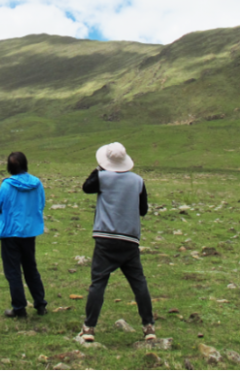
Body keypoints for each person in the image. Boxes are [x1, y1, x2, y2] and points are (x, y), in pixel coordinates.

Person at [79, 142, 155, 343]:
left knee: (98, 283)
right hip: (129, 239)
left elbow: (86, 187)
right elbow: (143, 210)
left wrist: (99, 169)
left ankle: (89, 328)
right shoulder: (138, 181)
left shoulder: (101, 178)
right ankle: (148, 326)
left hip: (105, 237)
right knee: (139, 283)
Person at [0, 151, 48, 318]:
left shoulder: (6, 185)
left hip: (10, 233)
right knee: (31, 268)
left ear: (9, 167)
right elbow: (41, 204)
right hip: (29, 232)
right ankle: (40, 304)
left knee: (13, 271)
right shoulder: (37, 183)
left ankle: (19, 308)